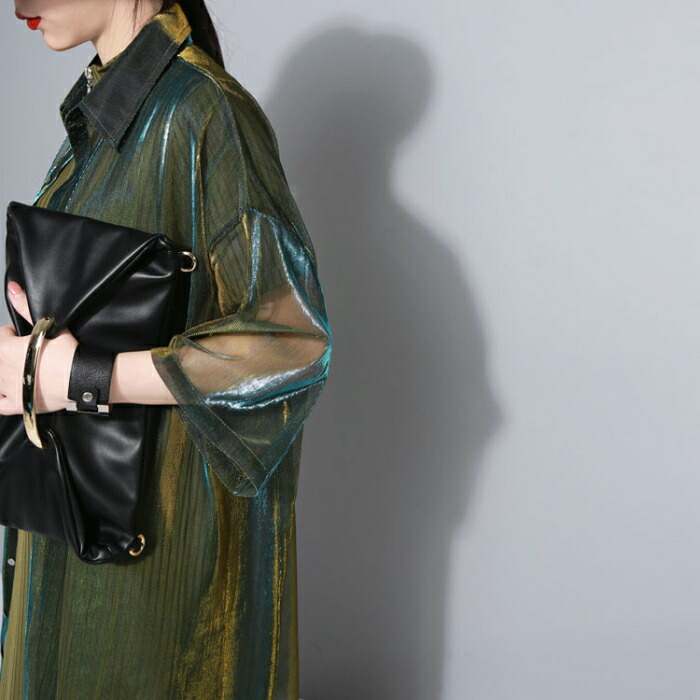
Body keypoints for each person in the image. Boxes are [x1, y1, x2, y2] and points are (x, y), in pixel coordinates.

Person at [0, 0, 332, 696]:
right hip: (74, 526)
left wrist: (80, 374)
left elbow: (289, 344)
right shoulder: (103, 114)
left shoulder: (206, 114)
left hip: (158, 566)